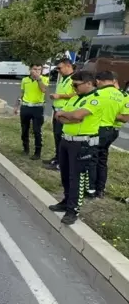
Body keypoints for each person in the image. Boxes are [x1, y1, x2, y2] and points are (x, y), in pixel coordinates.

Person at [48, 70, 103, 225]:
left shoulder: (95, 100)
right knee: (65, 174)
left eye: (76, 85)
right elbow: (60, 116)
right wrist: (67, 116)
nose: (73, 87)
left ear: (88, 83)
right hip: (66, 140)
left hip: (82, 144)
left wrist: (68, 115)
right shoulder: (75, 98)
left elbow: (77, 116)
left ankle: (73, 210)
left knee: (76, 177)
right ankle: (66, 201)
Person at [91, 70, 125, 198]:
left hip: (96, 129)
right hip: (110, 129)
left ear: (98, 81)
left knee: (92, 159)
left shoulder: (97, 93)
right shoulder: (120, 95)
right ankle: (100, 189)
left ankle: (91, 188)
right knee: (102, 160)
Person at [45, 58, 76, 170]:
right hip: (57, 111)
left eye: (60, 68)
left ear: (68, 66)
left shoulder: (74, 79)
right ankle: (57, 158)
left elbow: (75, 94)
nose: (58, 70)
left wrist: (60, 96)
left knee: (62, 138)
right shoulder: (63, 78)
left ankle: (61, 163)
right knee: (57, 137)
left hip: (65, 113)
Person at [14, 63, 49, 160]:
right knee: (24, 129)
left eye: (39, 69)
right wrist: (16, 106)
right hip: (25, 107)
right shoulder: (25, 80)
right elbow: (22, 93)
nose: (37, 71)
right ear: (30, 69)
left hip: (37, 108)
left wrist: (39, 79)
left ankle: (37, 152)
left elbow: (43, 90)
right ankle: (25, 148)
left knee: (37, 130)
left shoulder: (44, 79)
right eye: (35, 69)